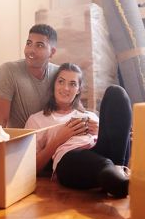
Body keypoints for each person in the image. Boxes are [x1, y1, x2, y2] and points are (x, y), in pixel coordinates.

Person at [25, 63, 132, 198]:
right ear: (53, 85)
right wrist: (58, 140)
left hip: (102, 152)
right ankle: (119, 181)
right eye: (61, 82)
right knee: (104, 165)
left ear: (78, 90)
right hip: (70, 160)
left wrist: (102, 132)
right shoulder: (37, 120)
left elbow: (120, 139)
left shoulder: (90, 116)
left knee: (116, 92)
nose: (66, 88)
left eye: (72, 84)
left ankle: (117, 173)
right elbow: (30, 168)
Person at [0, 24, 59, 128]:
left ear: (52, 52)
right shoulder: (7, 72)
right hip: (21, 141)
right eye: (29, 43)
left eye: (39, 45)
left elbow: (75, 109)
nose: (31, 50)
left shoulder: (59, 74)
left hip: (53, 138)